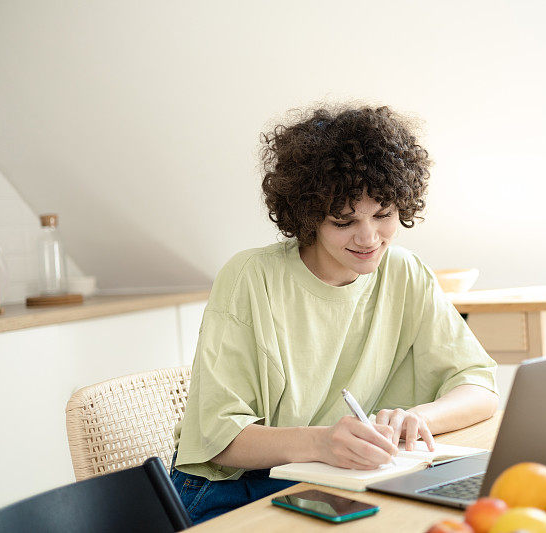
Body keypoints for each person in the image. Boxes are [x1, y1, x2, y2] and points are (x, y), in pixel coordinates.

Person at [169, 104, 499, 524]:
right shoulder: (251, 278)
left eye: (384, 215)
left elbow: (480, 387)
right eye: (344, 221)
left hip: (338, 481)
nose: (368, 238)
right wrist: (322, 444)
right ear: (309, 217)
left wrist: (416, 419)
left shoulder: (404, 272)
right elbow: (219, 440)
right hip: (233, 491)